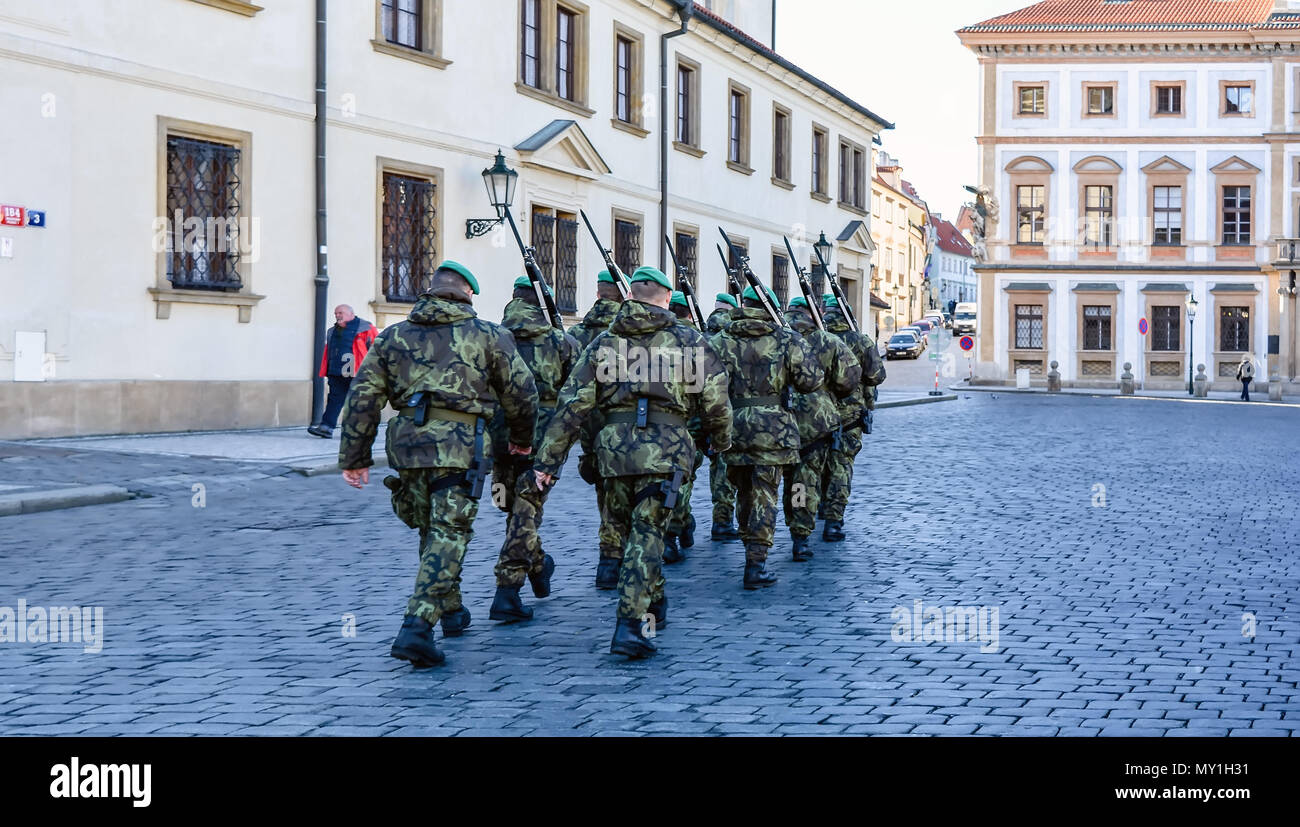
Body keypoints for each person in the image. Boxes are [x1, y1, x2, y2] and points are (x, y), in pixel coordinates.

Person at [337, 261, 538, 668]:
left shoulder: (392, 337)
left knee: (431, 527)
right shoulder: (488, 336)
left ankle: (452, 610)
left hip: (408, 445)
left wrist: (355, 457)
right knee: (449, 532)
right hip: (459, 446)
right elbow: (522, 393)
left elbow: (362, 397)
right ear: (466, 293)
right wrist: (521, 439)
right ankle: (417, 626)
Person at [533, 266, 732, 658]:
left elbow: (573, 405)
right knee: (648, 535)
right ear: (665, 297)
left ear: (631, 295)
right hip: (666, 450)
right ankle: (629, 625)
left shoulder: (605, 343)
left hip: (614, 452)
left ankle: (655, 603)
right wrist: (718, 442)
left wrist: (548, 461)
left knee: (634, 537)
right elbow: (716, 402)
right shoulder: (688, 341)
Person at [709, 284, 821, 589]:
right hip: (774, 429)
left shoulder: (720, 341)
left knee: (744, 491)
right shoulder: (785, 339)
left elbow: (702, 388)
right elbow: (811, 381)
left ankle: (750, 546)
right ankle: (756, 562)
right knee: (765, 494)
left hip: (733, 427)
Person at [490, 276, 581, 623]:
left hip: (500, 439)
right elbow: (576, 398)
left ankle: (536, 569)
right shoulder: (562, 343)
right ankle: (509, 590)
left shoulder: (494, 339)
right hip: (543, 444)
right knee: (522, 513)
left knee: (511, 506)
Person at [781, 297, 860, 561]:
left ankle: (791, 529)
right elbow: (849, 380)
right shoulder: (827, 341)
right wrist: (826, 396)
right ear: (814, 312)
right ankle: (801, 536)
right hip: (815, 422)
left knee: (791, 481)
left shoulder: (776, 337)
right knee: (807, 478)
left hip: (777, 421)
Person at [568, 271, 625, 589]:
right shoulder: (630, 333)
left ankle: (608, 562)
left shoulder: (576, 333)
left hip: (592, 425)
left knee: (606, 495)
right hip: (631, 424)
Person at [819, 294, 885, 542]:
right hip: (849, 416)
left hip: (816, 416)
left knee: (812, 468)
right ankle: (834, 522)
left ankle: (811, 511)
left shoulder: (815, 340)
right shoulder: (860, 340)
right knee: (841, 469)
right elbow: (877, 375)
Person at [663, 290, 704, 564]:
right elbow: (705, 392)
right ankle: (673, 531)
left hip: (649, 427)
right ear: (689, 313)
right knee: (681, 481)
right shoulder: (696, 342)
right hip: (687, 426)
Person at [309, 305, 378, 438]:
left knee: (360, 401)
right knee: (334, 399)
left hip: (358, 372)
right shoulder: (332, 331)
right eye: (336, 313)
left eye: (341, 313)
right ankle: (326, 427)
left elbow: (378, 348)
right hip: (336, 372)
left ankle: (361, 430)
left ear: (351, 314)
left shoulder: (366, 328)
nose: (338, 315)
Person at [705, 293, 741, 542]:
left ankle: (679, 526)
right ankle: (723, 520)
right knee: (726, 469)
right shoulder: (732, 337)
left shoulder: (702, 336)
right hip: (731, 411)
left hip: (702, 412)